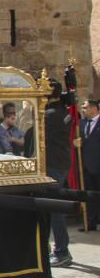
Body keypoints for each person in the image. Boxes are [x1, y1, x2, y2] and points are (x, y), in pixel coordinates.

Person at [44, 83, 73, 265]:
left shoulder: (49, 115)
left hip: (53, 163)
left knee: (54, 209)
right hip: (61, 162)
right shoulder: (64, 111)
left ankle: (62, 251)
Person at [78, 97, 100, 232]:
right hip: (86, 166)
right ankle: (91, 222)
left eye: (85, 107)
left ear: (93, 108)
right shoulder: (81, 123)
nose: (83, 109)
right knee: (90, 195)